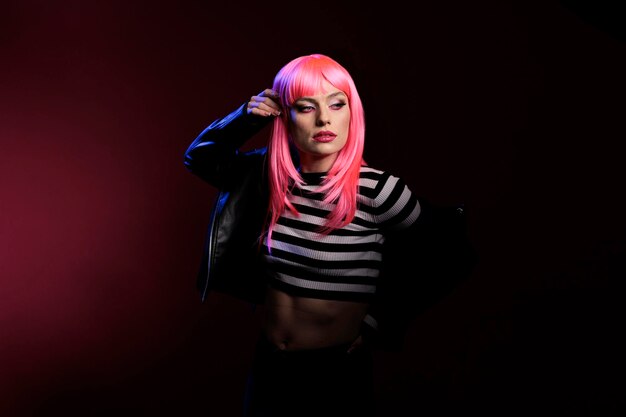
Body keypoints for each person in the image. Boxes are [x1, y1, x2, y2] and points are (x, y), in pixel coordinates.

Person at [183, 53, 477, 417]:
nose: (324, 118)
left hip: (334, 375)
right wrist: (244, 118)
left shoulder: (377, 190)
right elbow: (198, 158)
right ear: (283, 116)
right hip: (269, 367)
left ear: (352, 112)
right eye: (306, 107)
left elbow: (449, 253)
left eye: (337, 104)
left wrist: (379, 321)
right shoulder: (271, 180)